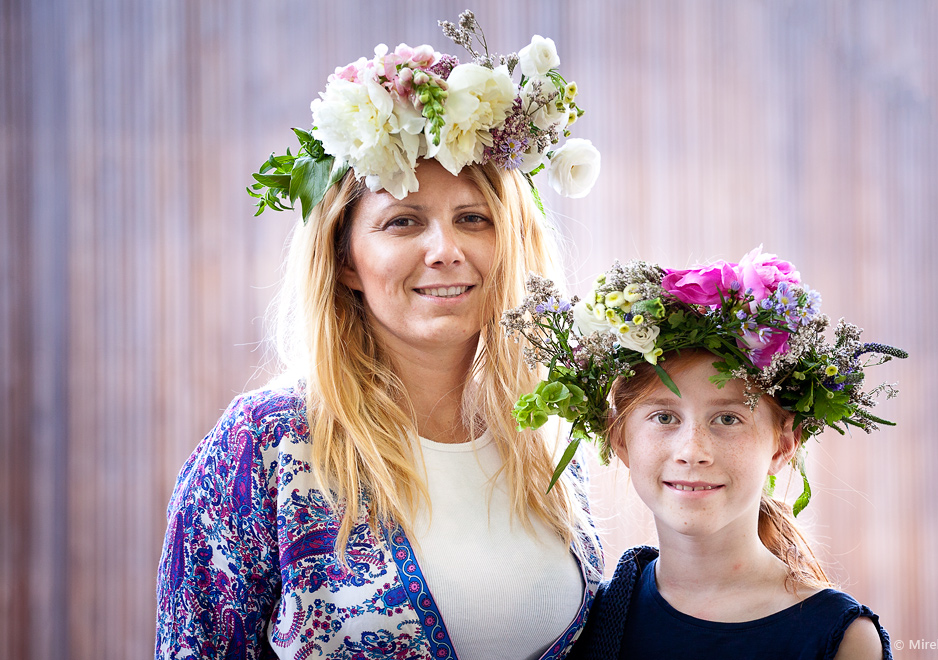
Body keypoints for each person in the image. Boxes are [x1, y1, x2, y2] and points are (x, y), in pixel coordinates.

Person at [156, 11, 603, 659]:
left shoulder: (544, 437)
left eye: (473, 218)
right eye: (403, 222)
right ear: (345, 261)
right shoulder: (264, 446)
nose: (445, 249)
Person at [503, 251, 903, 659]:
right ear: (619, 439)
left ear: (783, 445)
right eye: (664, 417)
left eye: (728, 419)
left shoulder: (842, 639)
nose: (692, 452)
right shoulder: (582, 625)